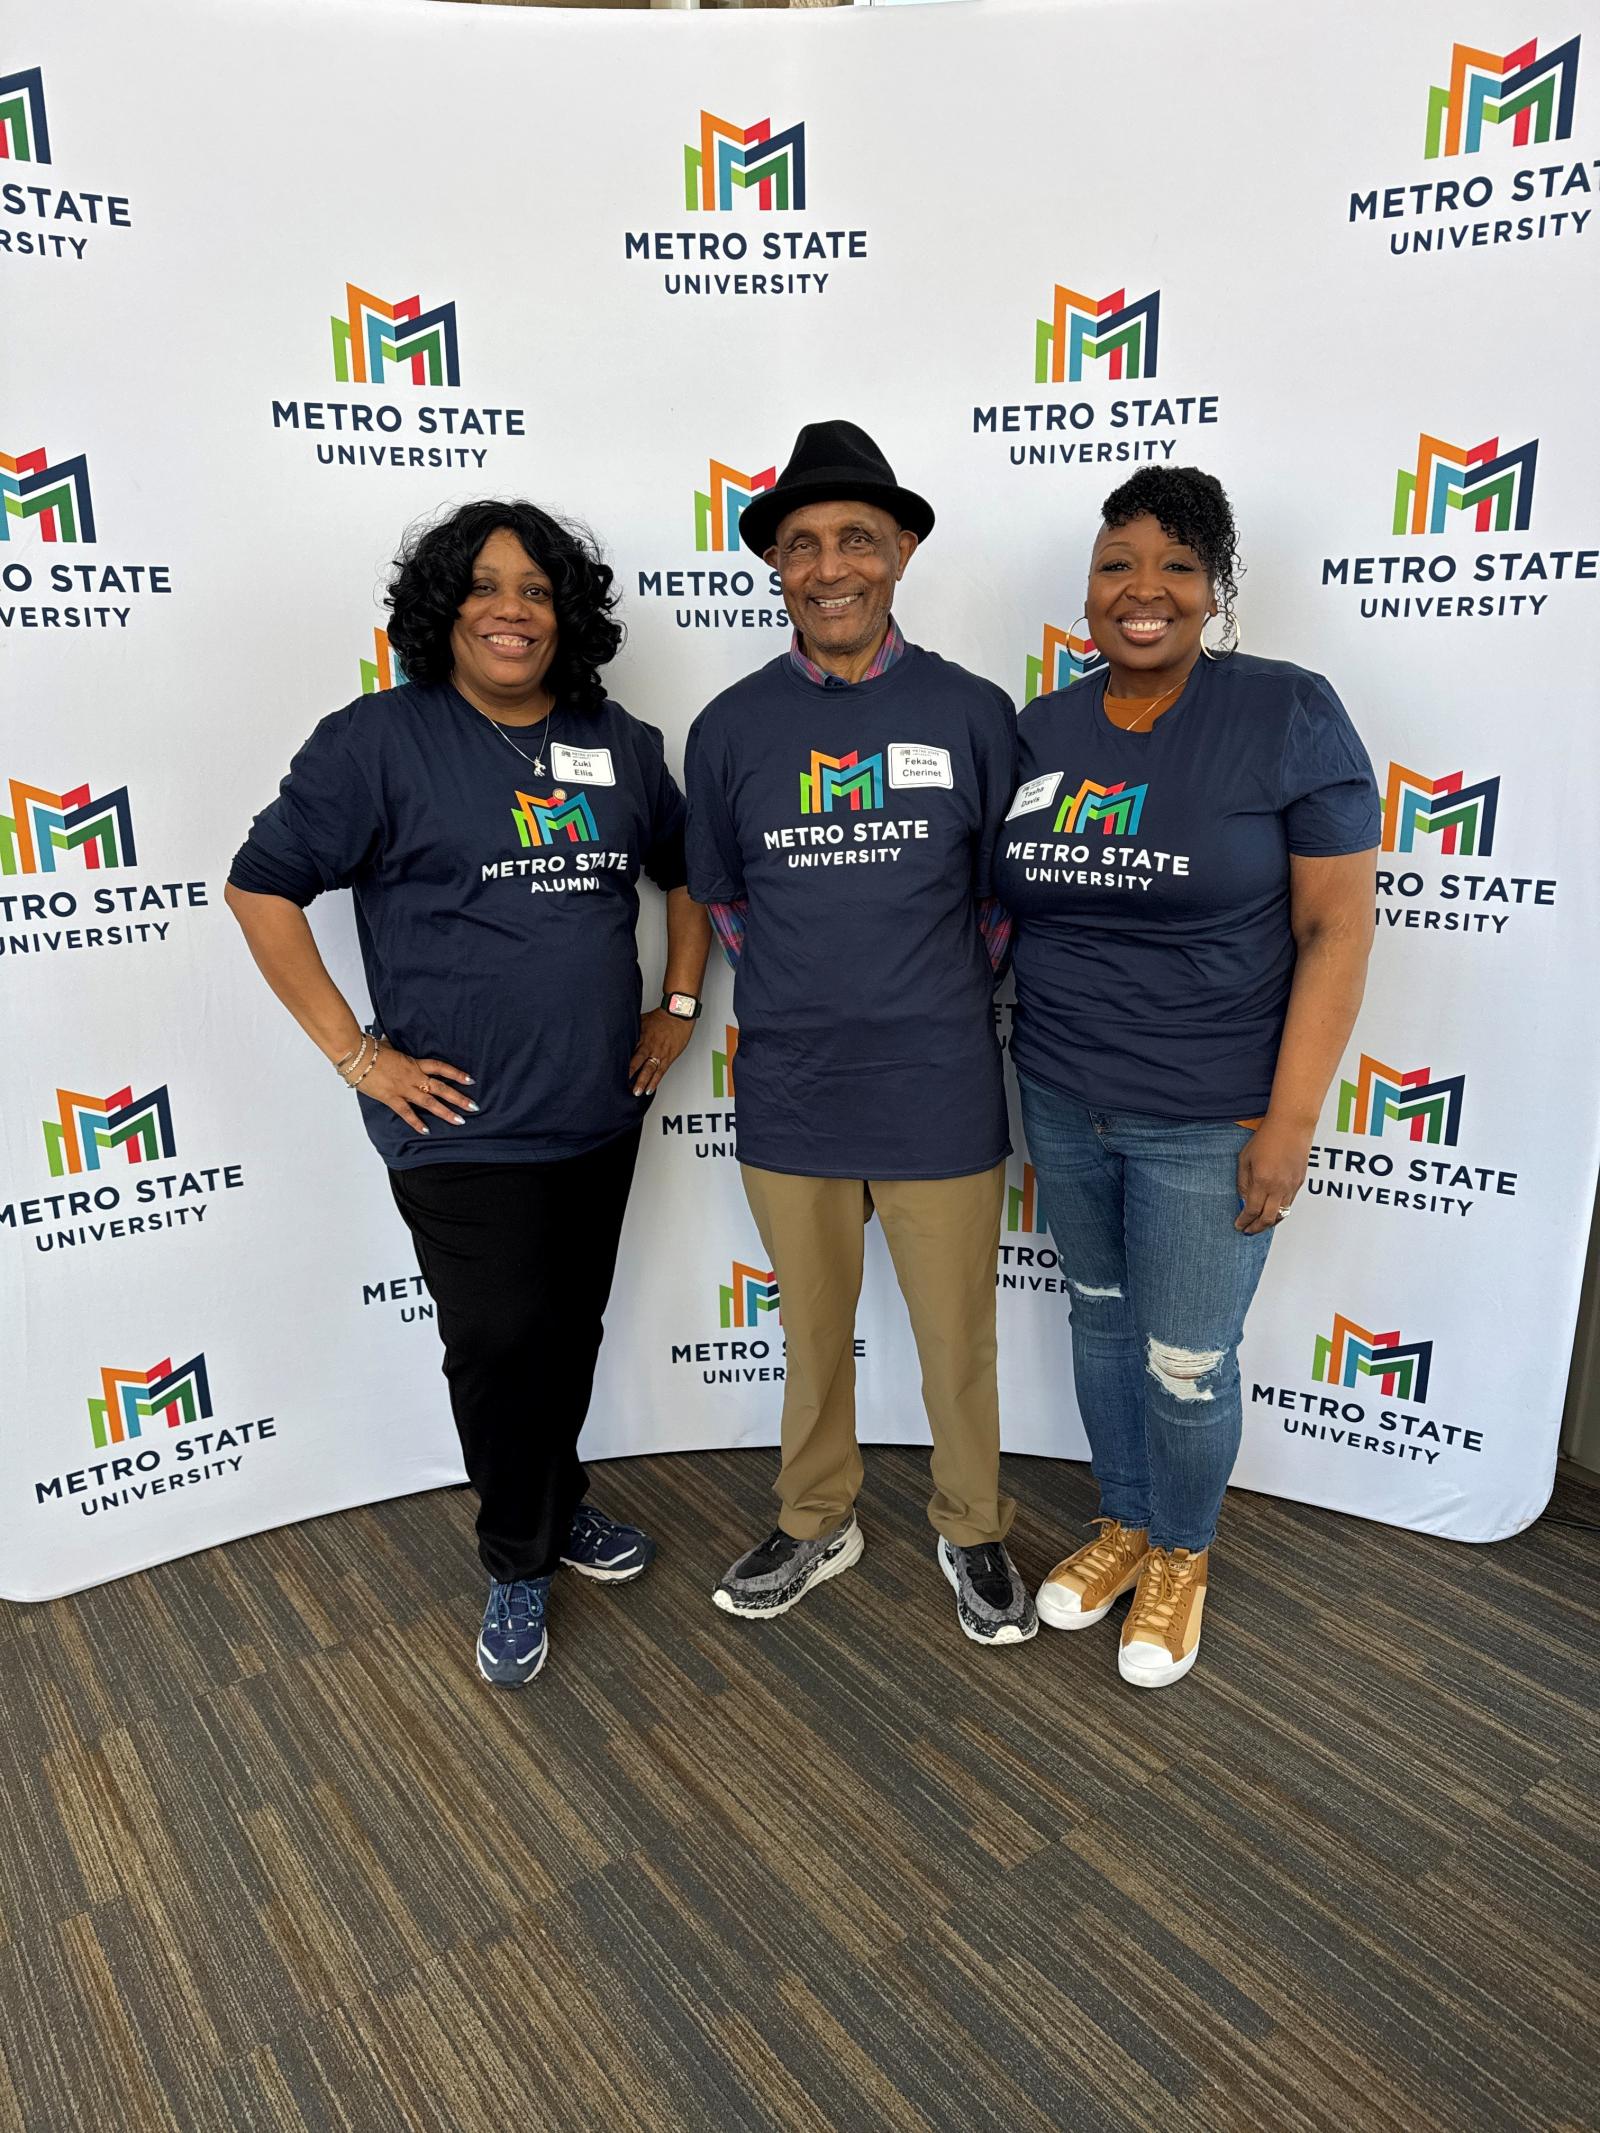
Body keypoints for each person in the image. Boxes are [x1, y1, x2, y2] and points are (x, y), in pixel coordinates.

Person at [225, 500, 709, 1688]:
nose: (512, 610)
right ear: (444, 611)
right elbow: (259, 891)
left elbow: (689, 872)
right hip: (450, 1121)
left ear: (566, 615)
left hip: (596, 1106)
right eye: (487, 588)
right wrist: (359, 1058)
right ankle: (516, 1558)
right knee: (497, 1340)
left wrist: (679, 1007)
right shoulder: (375, 741)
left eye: (536, 591)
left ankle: (556, 1497)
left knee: (568, 1329)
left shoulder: (621, 741)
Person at [994, 466, 1378, 1687]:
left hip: (1210, 1116)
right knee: (1101, 1322)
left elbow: (1337, 930)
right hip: (1057, 1088)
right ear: (1087, 590)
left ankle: (1182, 1553)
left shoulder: (1287, 712)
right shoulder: (1043, 728)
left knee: (1187, 1356)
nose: (1142, 591)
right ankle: (1121, 1523)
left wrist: (1288, 1121)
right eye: (1117, 567)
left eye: (1175, 568)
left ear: (1214, 590)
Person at [684, 419, 1036, 1646]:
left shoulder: (976, 712)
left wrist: (917, 989)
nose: (829, 566)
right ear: (776, 568)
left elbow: (1001, 900)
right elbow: (723, 899)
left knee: (957, 1340)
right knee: (811, 1336)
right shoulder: (729, 728)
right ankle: (816, 1514)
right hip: (792, 1088)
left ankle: (974, 1528)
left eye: (856, 540)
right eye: (801, 546)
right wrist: (810, 986)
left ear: (901, 552)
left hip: (940, 1086)